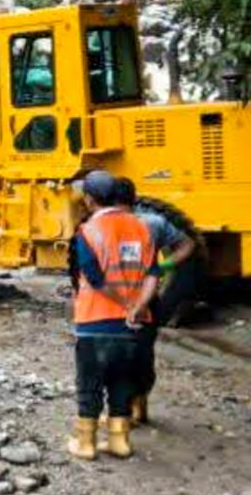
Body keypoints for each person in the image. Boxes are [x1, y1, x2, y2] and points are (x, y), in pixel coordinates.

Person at [66, 170, 160, 461]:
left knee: (89, 384)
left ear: (89, 199)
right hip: (132, 325)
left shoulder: (88, 231)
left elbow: (94, 278)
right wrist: (137, 306)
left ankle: (86, 443)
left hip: (94, 321)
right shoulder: (142, 228)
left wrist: (124, 303)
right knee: (122, 383)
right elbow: (153, 275)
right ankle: (119, 441)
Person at [114, 177, 197, 425]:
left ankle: (126, 409)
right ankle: (139, 404)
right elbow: (187, 245)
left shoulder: (101, 225)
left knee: (118, 355)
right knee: (142, 353)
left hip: (115, 301)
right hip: (147, 299)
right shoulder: (154, 222)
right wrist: (164, 266)